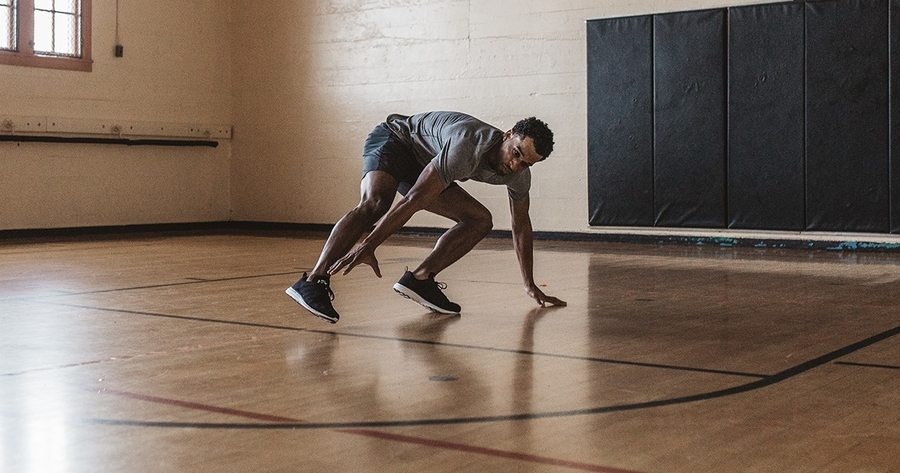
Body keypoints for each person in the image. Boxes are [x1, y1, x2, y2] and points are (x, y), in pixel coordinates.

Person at [285, 111, 566, 323]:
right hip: (396, 140)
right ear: (507, 135)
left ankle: (421, 279)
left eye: (525, 162)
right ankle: (313, 281)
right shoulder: (467, 146)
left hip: (426, 163)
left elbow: (521, 226)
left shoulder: (519, 176)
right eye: (516, 153)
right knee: (376, 203)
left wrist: (529, 284)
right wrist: (368, 244)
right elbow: (414, 200)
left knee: (480, 220)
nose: (515, 164)